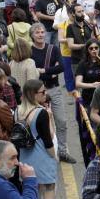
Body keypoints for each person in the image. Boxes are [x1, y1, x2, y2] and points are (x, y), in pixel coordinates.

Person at [18, 79, 66, 199]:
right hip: (42, 158)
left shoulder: (19, 111)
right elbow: (49, 139)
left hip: (26, 159)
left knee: (32, 196)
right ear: (33, 94)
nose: (46, 95)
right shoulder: (41, 113)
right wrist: (55, 157)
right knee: (48, 197)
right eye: (42, 92)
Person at [29, 23, 74, 164]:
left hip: (54, 89)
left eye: (42, 32)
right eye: (37, 32)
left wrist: (44, 71)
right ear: (32, 35)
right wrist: (50, 71)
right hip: (36, 93)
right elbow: (31, 71)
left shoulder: (53, 49)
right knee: (38, 124)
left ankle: (62, 151)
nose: (41, 34)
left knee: (61, 121)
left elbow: (61, 67)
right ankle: (43, 152)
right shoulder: (29, 51)